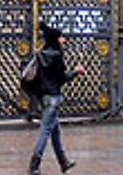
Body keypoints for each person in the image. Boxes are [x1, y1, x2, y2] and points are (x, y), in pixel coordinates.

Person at [27, 22, 83, 175]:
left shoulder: (41, 53)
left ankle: (63, 162)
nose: (63, 40)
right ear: (55, 39)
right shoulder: (57, 56)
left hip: (44, 96)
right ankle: (34, 164)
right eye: (61, 37)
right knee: (45, 130)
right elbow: (62, 78)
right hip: (54, 97)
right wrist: (76, 72)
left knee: (55, 131)